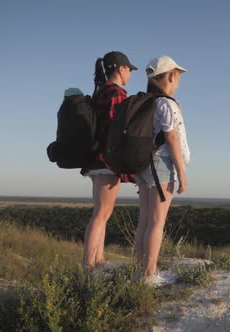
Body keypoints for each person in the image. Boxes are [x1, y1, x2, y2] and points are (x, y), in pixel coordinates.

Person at [134, 56, 190, 286]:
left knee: (145, 222)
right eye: (177, 75)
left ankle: (141, 270)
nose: (177, 80)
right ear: (170, 76)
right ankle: (149, 274)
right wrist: (181, 173)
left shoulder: (146, 102)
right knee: (157, 223)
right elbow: (171, 137)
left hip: (145, 165)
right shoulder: (166, 103)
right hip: (162, 166)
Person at [82, 51, 138, 272]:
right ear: (121, 69)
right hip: (106, 161)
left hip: (96, 160)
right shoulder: (115, 93)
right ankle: (88, 265)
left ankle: (98, 259)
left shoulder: (101, 92)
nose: (130, 74)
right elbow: (118, 129)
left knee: (102, 212)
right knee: (102, 213)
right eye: (129, 70)